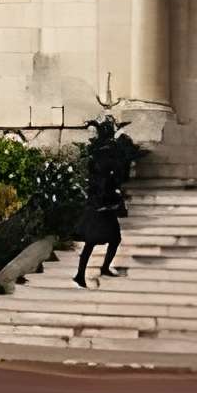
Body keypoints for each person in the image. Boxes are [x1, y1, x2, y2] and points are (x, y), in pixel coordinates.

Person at [72, 117, 134, 287]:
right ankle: (81, 273)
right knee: (95, 241)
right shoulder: (104, 156)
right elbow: (104, 180)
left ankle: (97, 269)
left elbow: (105, 178)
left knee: (111, 239)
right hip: (100, 205)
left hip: (101, 204)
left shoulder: (98, 154)